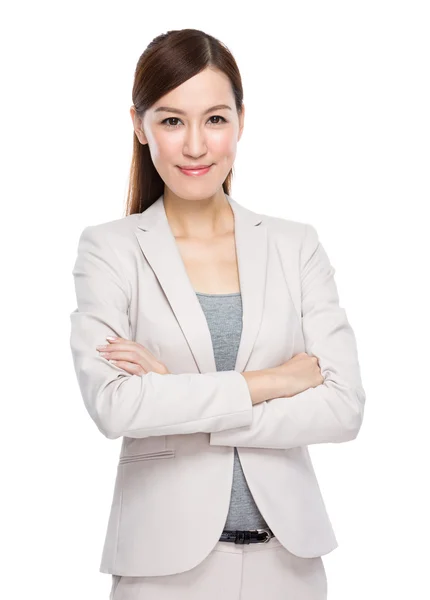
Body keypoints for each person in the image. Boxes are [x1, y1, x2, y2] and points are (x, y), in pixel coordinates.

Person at [69, 28, 366, 600]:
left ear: (241, 121)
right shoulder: (110, 249)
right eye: (172, 120)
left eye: (215, 119)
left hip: (290, 565)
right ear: (139, 125)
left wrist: (179, 396)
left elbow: (343, 406)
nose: (196, 146)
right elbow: (115, 405)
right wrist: (273, 382)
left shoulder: (294, 245)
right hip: (162, 571)